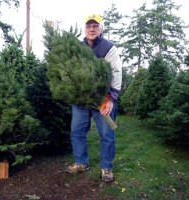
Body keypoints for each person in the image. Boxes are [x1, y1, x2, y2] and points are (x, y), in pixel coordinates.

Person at [65, 14, 122, 183]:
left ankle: (106, 168)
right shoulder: (78, 47)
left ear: (100, 29)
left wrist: (111, 99)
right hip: (81, 99)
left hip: (102, 98)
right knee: (77, 131)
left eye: (95, 26)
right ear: (85, 29)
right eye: (89, 26)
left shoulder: (108, 48)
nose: (91, 29)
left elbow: (116, 73)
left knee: (106, 133)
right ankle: (82, 163)